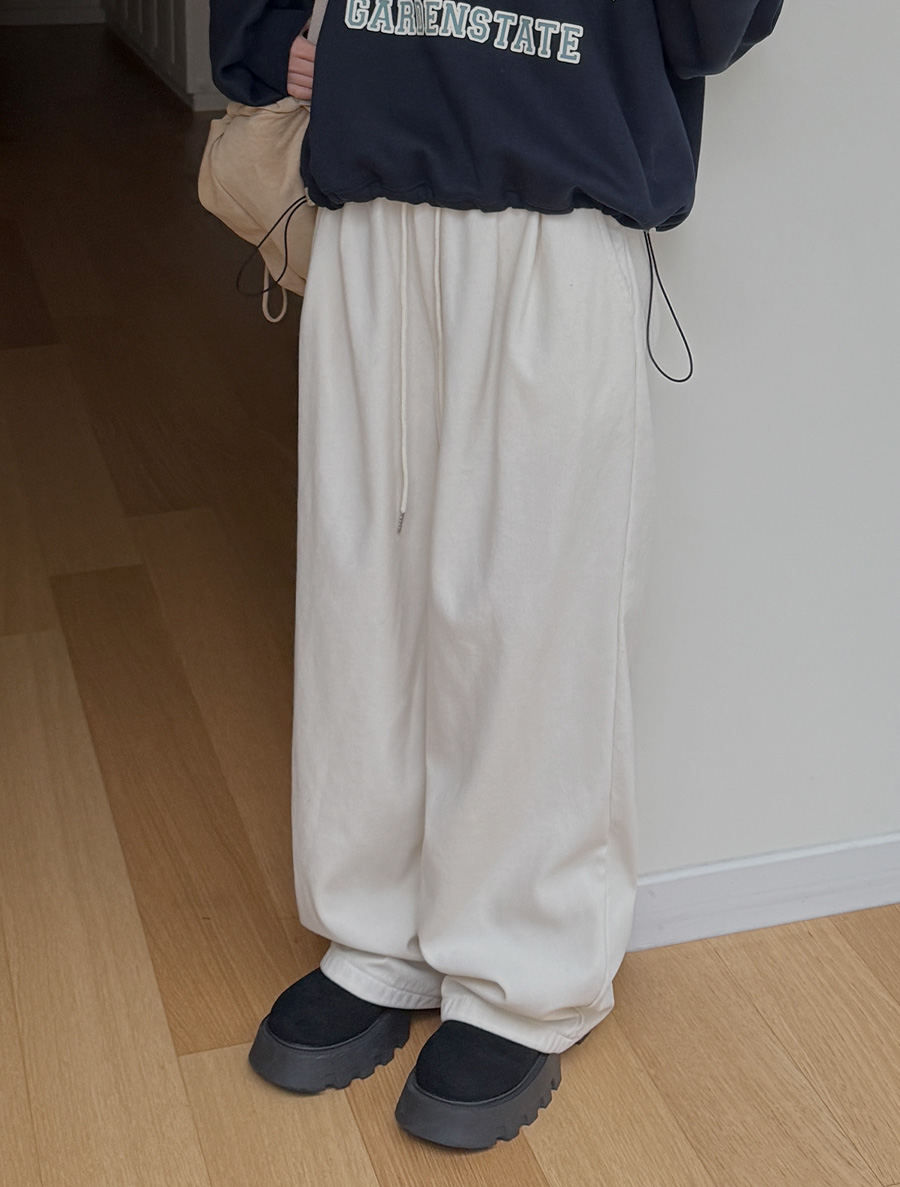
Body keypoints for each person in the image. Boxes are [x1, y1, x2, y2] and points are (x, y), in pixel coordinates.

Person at [207, 0, 783, 1151]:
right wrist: (268, 41)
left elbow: (715, 27)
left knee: (534, 608)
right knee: (362, 593)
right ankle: (378, 929)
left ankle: (520, 970)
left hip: (556, 204)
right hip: (370, 198)